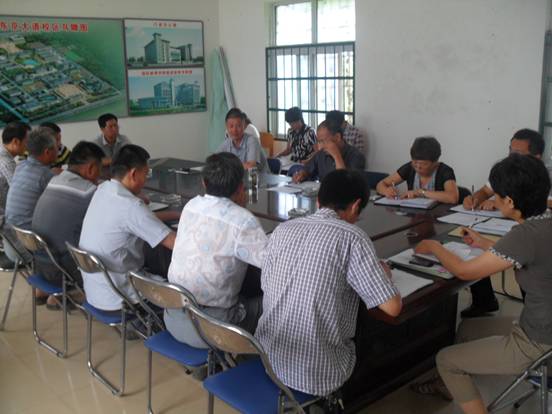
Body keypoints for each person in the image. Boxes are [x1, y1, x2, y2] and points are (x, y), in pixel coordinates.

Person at [412, 154, 552, 414]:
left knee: (446, 359)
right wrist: (484, 244)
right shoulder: (544, 223)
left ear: (509, 202)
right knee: (467, 328)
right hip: (539, 327)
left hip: (539, 342)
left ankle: (457, 381)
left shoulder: (525, 235)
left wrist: (433, 246)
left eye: (496, 196)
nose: (493, 201)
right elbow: (526, 255)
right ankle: (449, 386)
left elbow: (464, 271)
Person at [256, 169, 402, 397]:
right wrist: (380, 274)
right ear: (356, 206)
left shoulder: (283, 229)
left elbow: (267, 282)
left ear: (318, 200)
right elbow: (392, 307)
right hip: (319, 373)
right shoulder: (353, 237)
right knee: (373, 336)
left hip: (268, 359)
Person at [165, 152, 268, 348]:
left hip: (173, 318)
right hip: (214, 331)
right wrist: (241, 209)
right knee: (275, 301)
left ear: (204, 183)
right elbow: (273, 264)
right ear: (241, 187)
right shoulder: (243, 220)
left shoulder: (191, 205)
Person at [79, 144, 179, 311]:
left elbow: (142, 220)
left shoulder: (103, 190)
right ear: (133, 174)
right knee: (181, 291)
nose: (146, 180)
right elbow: (175, 243)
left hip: (96, 291)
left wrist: (176, 214)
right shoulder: (131, 207)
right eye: (145, 174)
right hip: (122, 296)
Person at [460, 129, 546, 318]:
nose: (511, 157)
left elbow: (463, 272)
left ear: (537, 157)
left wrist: (511, 204)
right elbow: (485, 191)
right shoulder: (509, 171)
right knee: (478, 247)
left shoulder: (541, 177)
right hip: (516, 229)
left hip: (532, 234)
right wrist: (475, 199)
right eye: (510, 151)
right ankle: (484, 301)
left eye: (517, 153)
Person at [32, 141, 104, 293]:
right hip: (63, 272)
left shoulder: (54, 180)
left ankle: (54, 297)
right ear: (91, 168)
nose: (100, 175)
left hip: (40, 265)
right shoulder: (88, 192)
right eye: (100, 169)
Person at [376, 136, 459, 204]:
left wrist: (421, 192)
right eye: (415, 162)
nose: (418, 167)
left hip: (437, 216)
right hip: (413, 214)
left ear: (435, 162)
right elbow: (381, 184)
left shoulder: (445, 171)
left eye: (424, 164)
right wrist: (386, 191)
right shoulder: (409, 168)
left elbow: (453, 198)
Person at [292, 120, 365, 183]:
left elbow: (346, 183)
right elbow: (307, 169)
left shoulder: (356, 156)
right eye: (319, 142)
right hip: (323, 193)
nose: (320, 147)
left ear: (337, 137)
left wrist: (336, 155)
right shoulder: (322, 153)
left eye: (323, 141)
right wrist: (302, 174)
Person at [217, 108, 268, 172]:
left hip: (261, 176)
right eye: (231, 126)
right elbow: (214, 161)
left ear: (244, 126)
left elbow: (251, 166)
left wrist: (228, 166)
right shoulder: (226, 143)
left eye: (238, 126)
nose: (234, 130)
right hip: (242, 176)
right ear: (227, 127)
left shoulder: (252, 141)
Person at [0, 121, 30, 227]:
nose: (28, 146)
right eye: (27, 141)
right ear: (16, 141)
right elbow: (19, 193)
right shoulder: (7, 162)